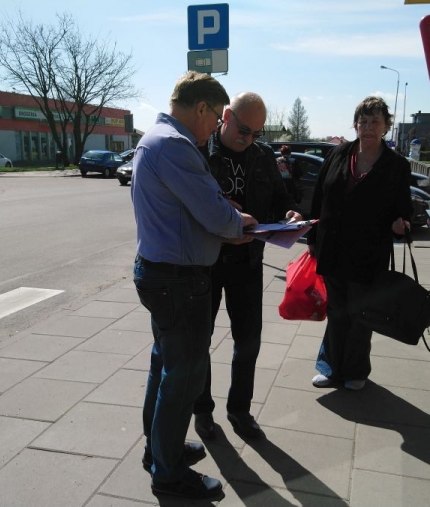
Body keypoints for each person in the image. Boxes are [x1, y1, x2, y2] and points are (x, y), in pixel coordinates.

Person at [131, 71, 258, 499]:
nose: (215, 127)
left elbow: (189, 205)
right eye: (217, 117)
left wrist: (222, 212)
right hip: (179, 281)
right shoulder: (176, 145)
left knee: (164, 368)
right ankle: (168, 476)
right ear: (201, 107)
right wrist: (236, 222)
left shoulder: (155, 140)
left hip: (163, 275)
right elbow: (215, 215)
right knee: (182, 378)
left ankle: (158, 450)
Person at [193, 93, 302, 440]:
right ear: (226, 116)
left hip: (249, 262)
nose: (248, 139)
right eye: (243, 130)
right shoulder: (199, 150)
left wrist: (290, 213)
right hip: (207, 263)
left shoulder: (263, 155)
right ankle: (202, 410)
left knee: (249, 341)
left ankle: (239, 410)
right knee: (200, 341)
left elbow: (281, 198)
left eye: (256, 133)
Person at [306, 96, 412, 390]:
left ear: (386, 126)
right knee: (337, 312)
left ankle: (355, 372)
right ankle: (331, 369)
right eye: (363, 121)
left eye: (375, 121)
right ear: (355, 125)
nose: (368, 127)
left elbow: (403, 210)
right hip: (333, 248)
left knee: (361, 314)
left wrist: (400, 225)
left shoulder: (396, 165)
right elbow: (319, 197)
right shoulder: (339, 154)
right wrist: (312, 236)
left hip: (368, 253)